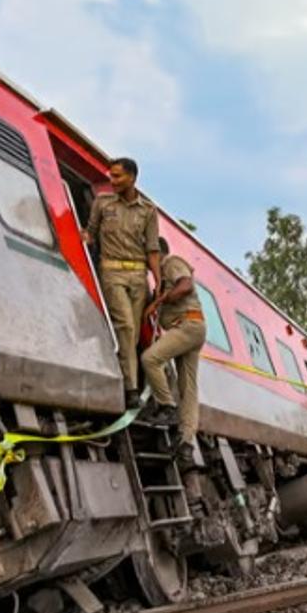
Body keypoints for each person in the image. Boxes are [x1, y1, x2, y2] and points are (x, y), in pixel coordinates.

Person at [83, 158, 162, 407]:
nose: (112, 181)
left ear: (132, 177)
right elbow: (91, 232)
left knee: (134, 335)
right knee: (126, 327)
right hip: (111, 272)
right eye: (111, 176)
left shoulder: (149, 211)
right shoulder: (102, 202)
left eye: (117, 176)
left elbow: (152, 249)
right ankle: (130, 389)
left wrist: (159, 282)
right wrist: (81, 238)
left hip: (138, 276)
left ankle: (129, 380)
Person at [141, 238, 207, 461]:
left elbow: (185, 285)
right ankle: (186, 442)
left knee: (150, 359)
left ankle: (166, 406)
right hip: (193, 328)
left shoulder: (171, 262)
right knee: (188, 387)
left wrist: (160, 301)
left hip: (187, 325)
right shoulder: (163, 273)